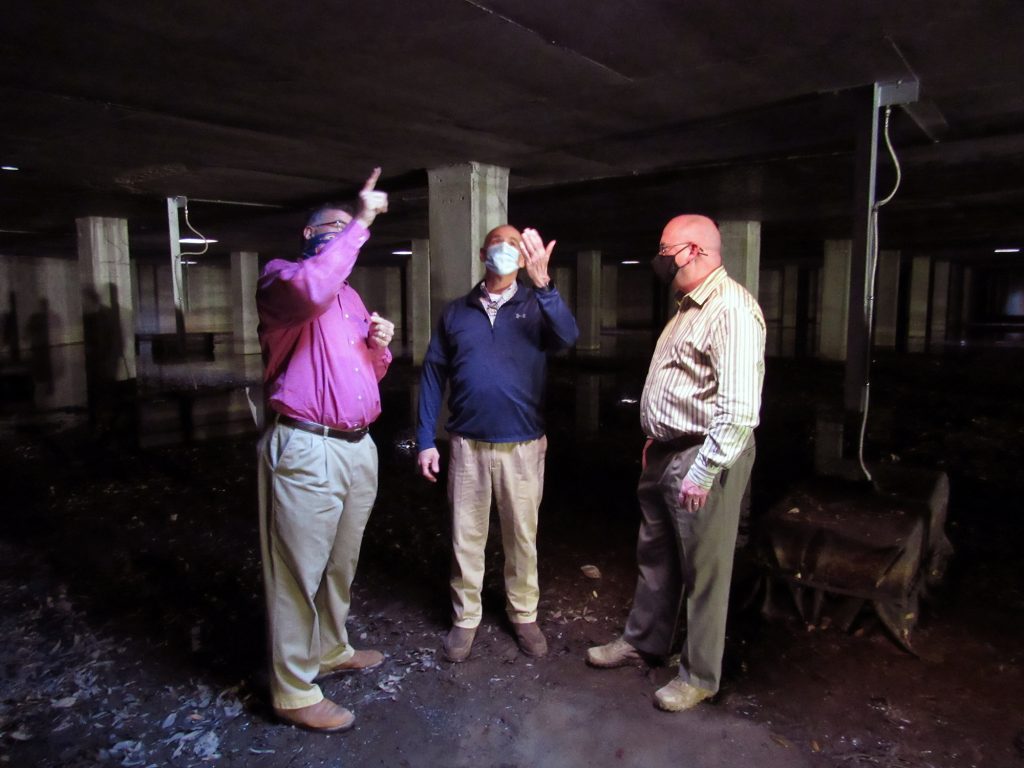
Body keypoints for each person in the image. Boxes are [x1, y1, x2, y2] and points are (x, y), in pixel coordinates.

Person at [586, 214, 765, 712]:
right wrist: (657, 439)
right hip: (666, 450)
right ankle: (644, 640)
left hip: (704, 453)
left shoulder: (730, 309)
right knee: (656, 554)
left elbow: (739, 410)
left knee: (704, 569)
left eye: (666, 252)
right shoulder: (688, 307)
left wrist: (704, 470)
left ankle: (699, 675)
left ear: (696, 252)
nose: (660, 261)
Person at [256, 168, 395, 732]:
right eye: (331, 228)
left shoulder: (352, 297)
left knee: (341, 562)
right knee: (297, 570)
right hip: (306, 447)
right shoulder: (282, 282)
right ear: (309, 237)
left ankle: (330, 649)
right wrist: (361, 220)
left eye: (348, 226)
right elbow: (313, 288)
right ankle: (292, 690)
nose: (343, 234)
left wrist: (379, 346)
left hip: (358, 446)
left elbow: (368, 374)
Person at [416, 225, 578, 662]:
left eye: (513, 247)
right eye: (496, 245)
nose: (503, 252)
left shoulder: (536, 305)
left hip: (522, 446)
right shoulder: (456, 313)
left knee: (521, 537)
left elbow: (567, 337)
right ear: (482, 251)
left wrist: (544, 285)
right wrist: (426, 438)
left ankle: (523, 614)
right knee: (465, 537)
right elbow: (434, 374)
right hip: (467, 445)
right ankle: (465, 619)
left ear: (524, 259)